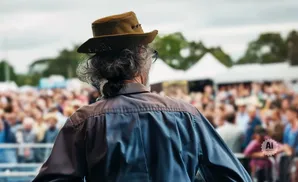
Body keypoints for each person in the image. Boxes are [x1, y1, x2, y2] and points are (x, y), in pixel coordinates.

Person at [33, 11, 251, 182]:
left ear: (97, 67)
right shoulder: (185, 115)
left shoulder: (84, 122)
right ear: (141, 58)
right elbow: (235, 177)